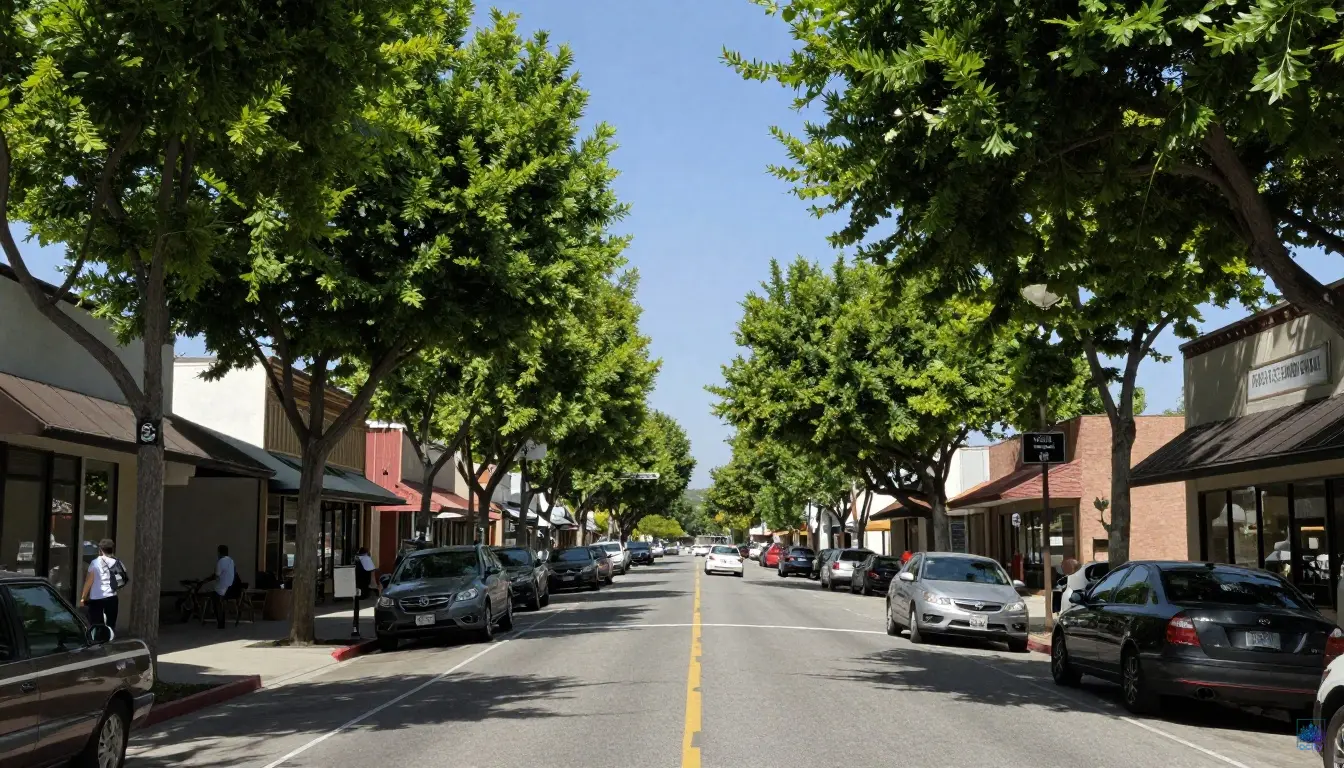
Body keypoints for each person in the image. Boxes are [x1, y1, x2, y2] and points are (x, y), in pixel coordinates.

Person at [80, 539, 124, 627]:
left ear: (100, 550)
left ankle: (98, 640)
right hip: (112, 598)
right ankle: (110, 639)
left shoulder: (95, 563)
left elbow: (89, 581)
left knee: (96, 625)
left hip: (97, 598)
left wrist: (83, 598)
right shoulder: (116, 562)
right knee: (110, 625)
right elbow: (120, 582)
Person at [204, 544, 238, 629]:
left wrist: (205, 580)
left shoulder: (221, 561)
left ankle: (220, 622)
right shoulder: (231, 561)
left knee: (215, 600)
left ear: (219, 552)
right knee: (218, 600)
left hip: (222, 587)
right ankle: (219, 620)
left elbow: (216, 575)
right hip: (231, 586)